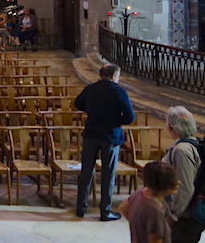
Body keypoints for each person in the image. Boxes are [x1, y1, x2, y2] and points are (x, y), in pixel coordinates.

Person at [74, 63, 135, 221]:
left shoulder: (91, 88)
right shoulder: (118, 91)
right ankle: (105, 211)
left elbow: (78, 103)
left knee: (86, 171)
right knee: (108, 173)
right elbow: (130, 117)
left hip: (91, 134)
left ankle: (81, 208)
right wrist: (116, 120)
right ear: (114, 75)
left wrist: (92, 111)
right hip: (110, 136)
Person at [162, 106, 205, 243]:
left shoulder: (181, 151)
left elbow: (185, 188)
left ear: (170, 127)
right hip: (187, 214)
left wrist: (173, 216)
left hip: (185, 217)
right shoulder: (193, 144)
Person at [119, 161, 180, 243]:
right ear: (164, 185)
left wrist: (139, 226)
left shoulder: (139, 192)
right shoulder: (155, 211)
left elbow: (122, 208)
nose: (179, 183)